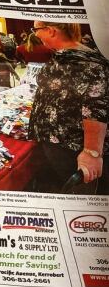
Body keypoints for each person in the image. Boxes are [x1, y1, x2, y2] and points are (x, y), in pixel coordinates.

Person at [29, 21, 108, 193]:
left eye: (36, 30)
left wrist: (91, 153)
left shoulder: (82, 62)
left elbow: (97, 107)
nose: (35, 34)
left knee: (81, 191)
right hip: (63, 141)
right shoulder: (71, 55)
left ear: (50, 31)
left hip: (69, 145)